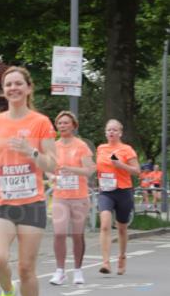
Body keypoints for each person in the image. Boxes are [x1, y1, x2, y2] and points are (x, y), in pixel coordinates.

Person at [0, 66, 56, 296]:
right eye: (8, 84)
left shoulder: (40, 122)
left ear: (28, 88)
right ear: (4, 90)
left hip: (31, 203)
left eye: (18, 84)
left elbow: (53, 163)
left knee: (26, 268)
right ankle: (6, 291)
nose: (13, 88)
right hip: (1, 201)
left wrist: (31, 151)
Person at [47, 111, 95, 286]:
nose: (62, 126)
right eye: (59, 123)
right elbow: (48, 167)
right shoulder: (53, 146)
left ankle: (78, 270)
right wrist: (51, 175)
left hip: (79, 197)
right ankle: (60, 271)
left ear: (74, 125)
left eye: (66, 123)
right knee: (59, 233)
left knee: (77, 234)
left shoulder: (81, 146)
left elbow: (89, 170)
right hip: (60, 196)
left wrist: (71, 169)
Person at [95, 119, 140, 275]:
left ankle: (122, 257)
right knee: (105, 224)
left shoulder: (126, 149)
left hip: (123, 191)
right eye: (109, 130)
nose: (111, 132)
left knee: (122, 227)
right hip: (106, 192)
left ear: (120, 133)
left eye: (114, 130)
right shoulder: (101, 148)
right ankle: (106, 262)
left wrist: (121, 165)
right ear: (105, 132)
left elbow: (137, 171)